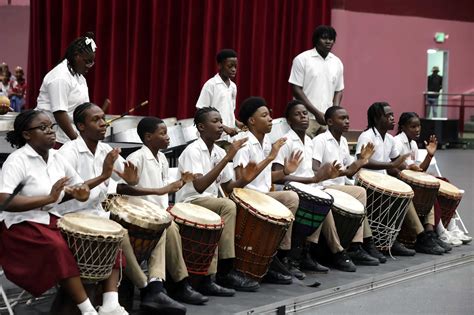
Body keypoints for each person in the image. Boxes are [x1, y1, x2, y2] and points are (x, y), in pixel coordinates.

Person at [57, 103, 187, 313]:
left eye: (103, 118)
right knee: (120, 233)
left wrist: (132, 180)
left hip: (100, 213)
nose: (103, 123)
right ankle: (146, 289)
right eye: (96, 120)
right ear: (80, 126)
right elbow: (64, 193)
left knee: (159, 224)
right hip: (72, 218)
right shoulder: (68, 153)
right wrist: (105, 176)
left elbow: (125, 180)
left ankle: (154, 286)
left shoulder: (105, 150)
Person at [0, 110, 127, 315]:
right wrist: (49, 199)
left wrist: (101, 177)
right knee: (58, 246)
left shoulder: (57, 157)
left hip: (50, 220)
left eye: (52, 127)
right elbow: (4, 201)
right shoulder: (17, 160)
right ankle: (87, 310)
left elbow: (79, 188)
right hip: (20, 225)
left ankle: (110, 303)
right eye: (43, 128)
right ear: (26, 134)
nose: (51, 132)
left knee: (104, 238)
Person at [273, 101, 380, 272]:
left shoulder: (308, 140)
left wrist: (361, 161)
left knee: (359, 192)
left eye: (305, 114)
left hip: (315, 187)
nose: (303, 117)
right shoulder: (287, 142)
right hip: (297, 189)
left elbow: (348, 172)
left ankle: (355, 245)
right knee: (323, 203)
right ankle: (335, 251)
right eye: (298, 114)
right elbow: (279, 176)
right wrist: (317, 178)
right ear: (289, 120)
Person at [115, 117, 209, 306]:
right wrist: (162, 191)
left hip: (159, 212)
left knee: (171, 224)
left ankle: (170, 285)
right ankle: (178, 284)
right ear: (148, 137)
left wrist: (181, 182)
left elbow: (165, 188)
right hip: (139, 215)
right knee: (170, 227)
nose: (168, 137)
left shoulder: (163, 158)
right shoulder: (136, 158)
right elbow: (121, 190)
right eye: (163, 133)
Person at [176, 107, 261, 292]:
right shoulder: (193, 150)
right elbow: (199, 186)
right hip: (191, 201)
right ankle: (225, 270)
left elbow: (228, 186)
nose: (220, 125)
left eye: (221, 120)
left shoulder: (219, 152)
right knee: (228, 205)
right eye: (215, 121)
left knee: (232, 203)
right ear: (201, 127)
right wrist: (228, 158)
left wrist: (245, 178)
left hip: (211, 201)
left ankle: (227, 270)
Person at [356, 102, 446, 256]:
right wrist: (392, 164)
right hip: (367, 183)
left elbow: (400, 164)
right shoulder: (367, 136)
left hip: (384, 182)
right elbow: (363, 161)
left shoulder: (389, 140)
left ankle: (396, 239)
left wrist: (419, 164)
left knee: (407, 192)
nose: (393, 118)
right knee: (404, 195)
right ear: (377, 118)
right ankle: (421, 237)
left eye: (392, 114)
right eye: (388, 115)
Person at [233, 97, 305, 282]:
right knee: (289, 197)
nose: (270, 118)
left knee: (292, 197)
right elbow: (242, 179)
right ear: (251, 121)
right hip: (246, 198)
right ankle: (275, 259)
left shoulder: (265, 143)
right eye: (264, 115)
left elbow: (264, 177)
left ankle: (281, 254)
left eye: (270, 115)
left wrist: (285, 172)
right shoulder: (244, 143)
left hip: (262, 195)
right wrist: (271, 157)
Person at [394, 112, 460, 248]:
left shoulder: (413, 144)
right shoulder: (397, 142)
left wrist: (429, 156)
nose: (417, 129)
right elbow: (401, 168)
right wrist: (412, 168)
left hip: (411, 181)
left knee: (441, 182)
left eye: (419, 126)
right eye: (413, 126)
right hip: (400, 181)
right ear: (403, 127)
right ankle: (438, 232)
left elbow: (420, 170)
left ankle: (448, 229)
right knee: (430, 190)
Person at [36, 32, 108, 146]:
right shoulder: (60, 77)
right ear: (76, 55)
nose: (90, 65)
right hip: (54, 139)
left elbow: (81, 110)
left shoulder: (79, 77)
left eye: (92, 62)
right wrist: (77, 142)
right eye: (87, 61)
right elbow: (59, 113)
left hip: (69, 138)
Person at [289, 25, 344, 137]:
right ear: (316, 40)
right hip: (305, 118)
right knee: (304, 152)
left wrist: (333, 112)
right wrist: (316, 113)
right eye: (324, 38)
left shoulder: (337, 62)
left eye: (331, 39)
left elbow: (339, 90)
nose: (328, 41)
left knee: (325, 153)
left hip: (327, 120)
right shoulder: (302, 59)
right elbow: (296, 89)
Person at [196, 49, 244, 138]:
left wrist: (237, 123)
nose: (234, 69)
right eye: (230, 66)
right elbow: (201, 112)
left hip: (229, 135)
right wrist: (223, 127)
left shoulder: (233, 86)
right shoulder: (211, 84)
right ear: (220, 65)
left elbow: (229, 111)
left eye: (235, 66)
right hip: (212, 136)